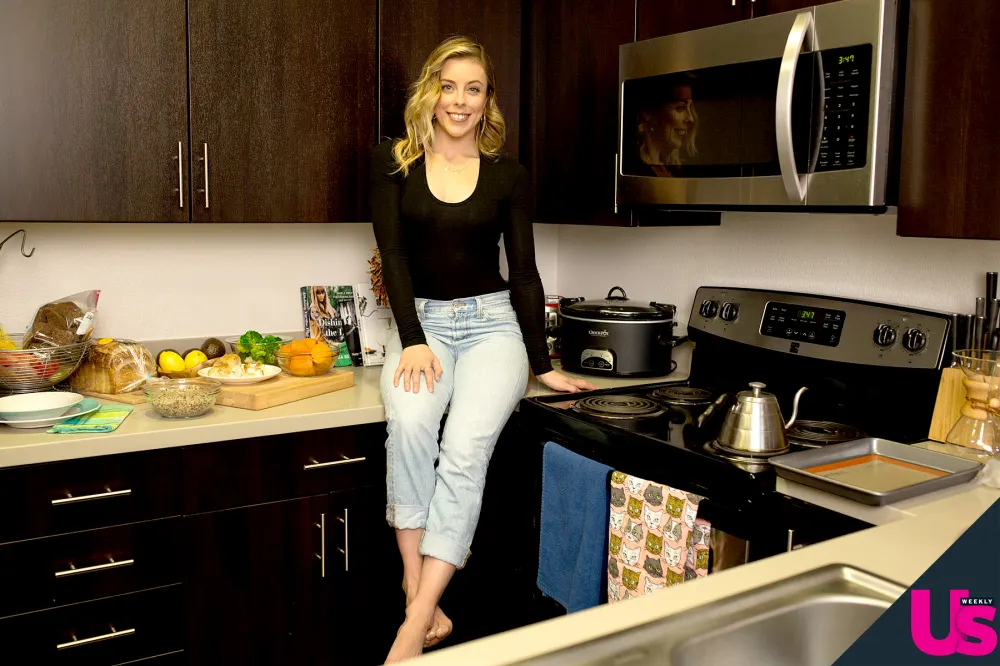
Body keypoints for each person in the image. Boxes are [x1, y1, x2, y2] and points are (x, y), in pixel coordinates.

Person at [369, 35, 598, 663]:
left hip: (492, 327)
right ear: (431, 91)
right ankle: (419, 594)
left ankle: (414, 624)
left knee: (465, 449)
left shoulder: (507, 174)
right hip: (422, 326)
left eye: (473, 89)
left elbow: (523, 274)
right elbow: (393, 256)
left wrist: (542, 366)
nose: (459, 100)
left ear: (487, 98)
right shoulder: (394, 162)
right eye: (449, 86)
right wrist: (413, 339)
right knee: (410, 425)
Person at [632, 74, 698, 177]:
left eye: (690, 107)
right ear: (647, 113)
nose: (691, 118)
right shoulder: (636, 171)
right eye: (680, 107)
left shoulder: (673, 170)